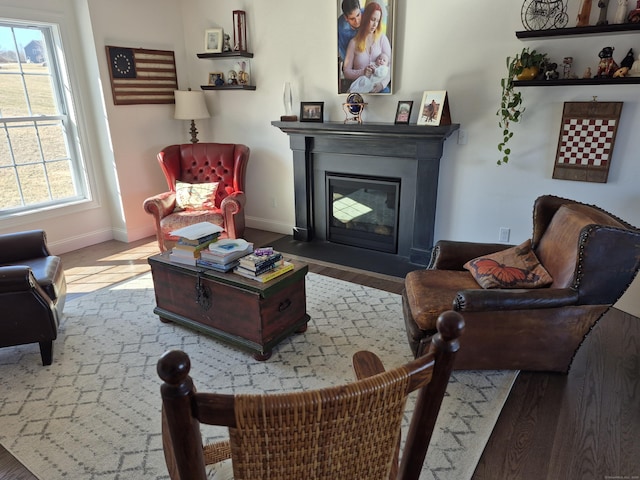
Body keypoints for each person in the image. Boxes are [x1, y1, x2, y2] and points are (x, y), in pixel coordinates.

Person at [342, 2, 391, 94]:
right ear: (365, 17)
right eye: (373, 19)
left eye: (377, 21)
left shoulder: (382, 39)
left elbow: (390, 66)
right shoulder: (353, 43)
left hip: (379, 89)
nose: (375, 24)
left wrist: (382, 85)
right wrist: (362, 72)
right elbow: (346, 72)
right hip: (361, 89)